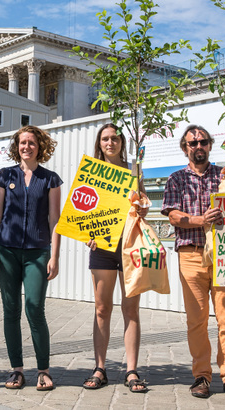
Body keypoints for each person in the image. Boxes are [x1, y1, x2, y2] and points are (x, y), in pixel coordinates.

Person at [161, 124, 225, 400]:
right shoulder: (176, 179)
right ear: (185, 148)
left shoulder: (224, 176)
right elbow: (173, 216)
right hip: (191, 254)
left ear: (210, 145)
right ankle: (201, 375)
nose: (198, 147)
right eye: (192, 143)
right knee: (196, 320)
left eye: (202, 142)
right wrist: (201, 220)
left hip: (224, 254)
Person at [0, 125, 62, 391]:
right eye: (22, 143)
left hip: (38, 252)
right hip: (6, 251)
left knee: (34, 309)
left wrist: (54, 255)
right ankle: (17, 370)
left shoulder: (50, 179)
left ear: (39, 146)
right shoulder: (4, 176)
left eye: (31, 142)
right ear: (16, 146)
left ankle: (43, 369)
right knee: (11, 311)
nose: (26, 147)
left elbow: (55, 220)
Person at [82, 124, 148, 393]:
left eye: (115, 138)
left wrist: (141, 206)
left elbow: (143, 206)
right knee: (101, 309)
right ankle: (100, 368)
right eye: (105, 138)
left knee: (131, 309)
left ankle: (131, 370)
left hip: (130, 243)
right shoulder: (91, 172)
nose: (111, 142)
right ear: (99, 143)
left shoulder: (134, 170)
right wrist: (87, 233)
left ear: (122, 141)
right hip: (103, 246)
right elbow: (83, 208)